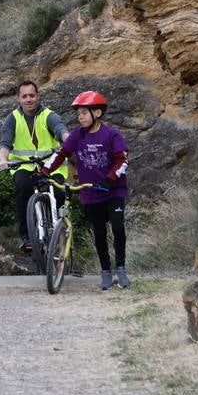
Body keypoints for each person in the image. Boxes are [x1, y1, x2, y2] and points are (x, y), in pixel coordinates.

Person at [44, 90, 130, 289]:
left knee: (117, 228)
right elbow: (61, 153)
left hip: (113, 191)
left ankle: (122, 269)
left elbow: (122, 160)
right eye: (78, 113)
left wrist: (109, 180)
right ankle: (106, 272)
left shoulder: (112, 135)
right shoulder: (77, 136)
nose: (79, 117)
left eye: (84, 112)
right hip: (90, 192)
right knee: (99, 233)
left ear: (97, 113)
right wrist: (45, 170)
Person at [0, 81, 71, 254]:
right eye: (24, 96)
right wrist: (3, 159)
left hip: (51, 165)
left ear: (38, 96)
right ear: (18, 99)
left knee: (58, 191)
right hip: (24, 166)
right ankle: (27, 237)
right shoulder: (13, 118)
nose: (29, 99)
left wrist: (68, 141)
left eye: (32, 95)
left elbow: (61, 129)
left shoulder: (48, 115)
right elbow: (5, 142)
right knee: (23, 188)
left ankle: (61, 228)